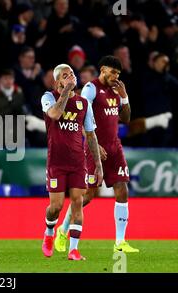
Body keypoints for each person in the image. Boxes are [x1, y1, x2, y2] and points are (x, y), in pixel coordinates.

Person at [55, 56, 140, 253]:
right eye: (112, 72)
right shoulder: (90, 89)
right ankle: (62, 230)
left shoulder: (116, 90)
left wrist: (124, 96)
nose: (115, 76)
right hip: (95, 147)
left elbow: (126, 119)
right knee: (88, 195)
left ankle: (120, 242)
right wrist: (94, 144)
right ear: (103, 69)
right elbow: (80, 115)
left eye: (118, 73)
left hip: (114, 147)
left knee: (122, 190)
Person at [41, 64, 103, 261]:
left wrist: (98, 164)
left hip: (78, 162)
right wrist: (67, 89)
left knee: (77, 202)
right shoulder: (48, 97)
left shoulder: (84, 104)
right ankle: (49, 232)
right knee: (56, 207)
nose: (71, 78)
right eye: (65, 76)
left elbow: (91, 135)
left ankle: (73, 250)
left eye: (72, 75)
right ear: (57, 81)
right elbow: (55, 115)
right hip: (56, 162)